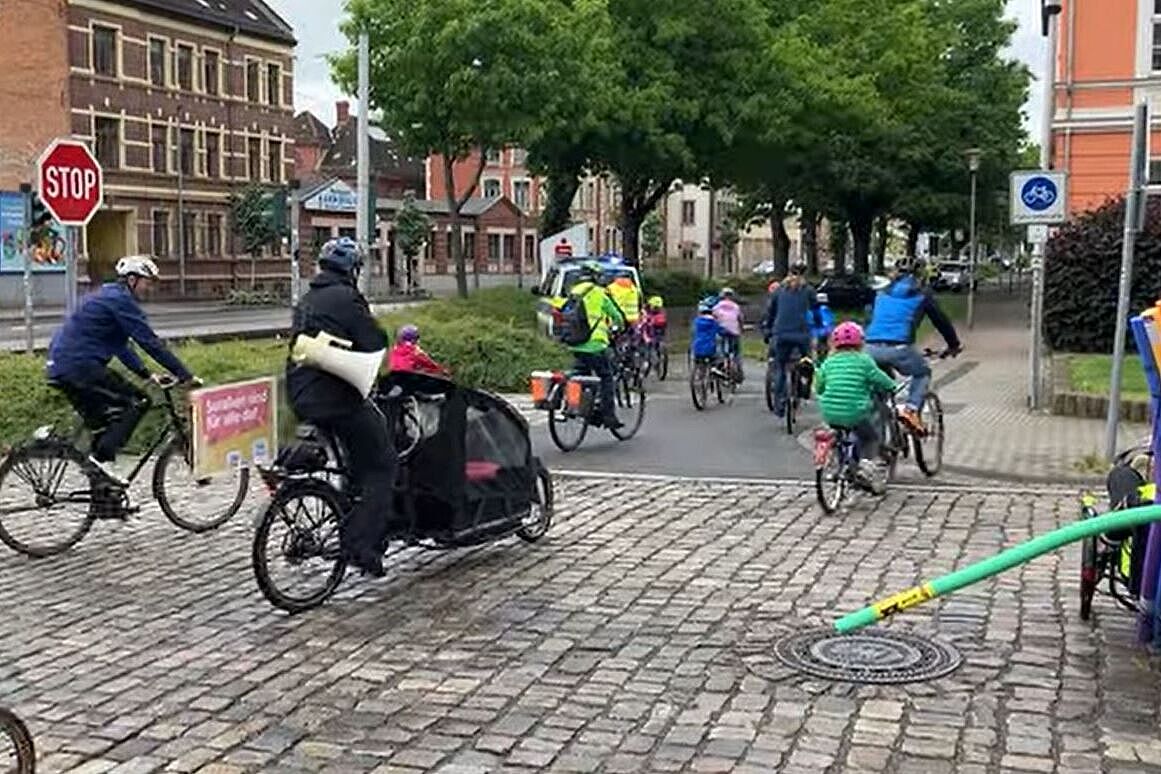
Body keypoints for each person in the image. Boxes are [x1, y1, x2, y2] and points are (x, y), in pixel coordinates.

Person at [287, 237, 393, 577]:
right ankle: (361, 545)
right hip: (335, 398)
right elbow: (374, 342)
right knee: (383, 465)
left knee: (354, 461)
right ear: (353, 269)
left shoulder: (308, 298)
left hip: (301, 394)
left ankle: (348, 511)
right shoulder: (347, 298)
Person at [46, 255, 196, 487]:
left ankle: (103, 494)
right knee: (138, 401)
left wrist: (146, 374)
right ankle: (103, 461)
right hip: (81, 366)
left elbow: (121, 346)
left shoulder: (106, 294)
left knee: (104, 422)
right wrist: (185, 374)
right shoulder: (121, 300)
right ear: (132, 279)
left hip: (62, 366)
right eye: (148, 282)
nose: (150, 288)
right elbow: (149, 342)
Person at [864, 256, 962, 432]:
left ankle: (880, 445)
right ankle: (911, 409)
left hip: (870, 347)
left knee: (882, 385)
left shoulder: (881, 292)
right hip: (899, 347)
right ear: (919, 275)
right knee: (922, 373)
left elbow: (870, 317)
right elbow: (941, 321)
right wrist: (953, 345)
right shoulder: (922, 294)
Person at [814, 321, 897, 494]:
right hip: (855, 412)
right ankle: (864, 469)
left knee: (839, 434)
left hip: (830, 413)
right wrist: (891, 386)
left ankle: (841, 466)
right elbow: (881, 379)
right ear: (861, 343)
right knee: (870, 438)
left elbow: (819, 386)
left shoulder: (829, 362)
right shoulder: (864, 361)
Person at [566, 261, 627, 429]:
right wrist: (621, 328)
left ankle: (575, 406)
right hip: (595, 344)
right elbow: (617, 316)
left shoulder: (574, 292)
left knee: (581, 375)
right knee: (606, 377)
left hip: (575, 343)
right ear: (596, 277)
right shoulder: (600, 293)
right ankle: (608, 416)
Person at [762, 263, 820, 417]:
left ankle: (780, 404)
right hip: (801, 334)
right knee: (807, 361)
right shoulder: (808, 290)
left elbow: (770, 313)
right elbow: (816, 310)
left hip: (781, 334)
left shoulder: (779, 290)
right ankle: (804, 389)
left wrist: (767, 330)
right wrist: (819, 324)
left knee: (780, 366)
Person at [712, 287, 744, 382]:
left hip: (721, 331)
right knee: (736, 351)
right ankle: (738, 370)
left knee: (719, 345)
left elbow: (714, 319)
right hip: (734, 331)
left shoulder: (717, 307)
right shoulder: (736, 306)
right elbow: (740, 319)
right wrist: (741, 329)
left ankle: (720, 364)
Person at [691, 300, 723, 366]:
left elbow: (693, 332)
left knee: (699, 363)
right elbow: (720, 331)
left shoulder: (696, 321)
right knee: (719, 352)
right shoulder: (714, 322)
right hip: (711, 350)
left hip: (697, 349)